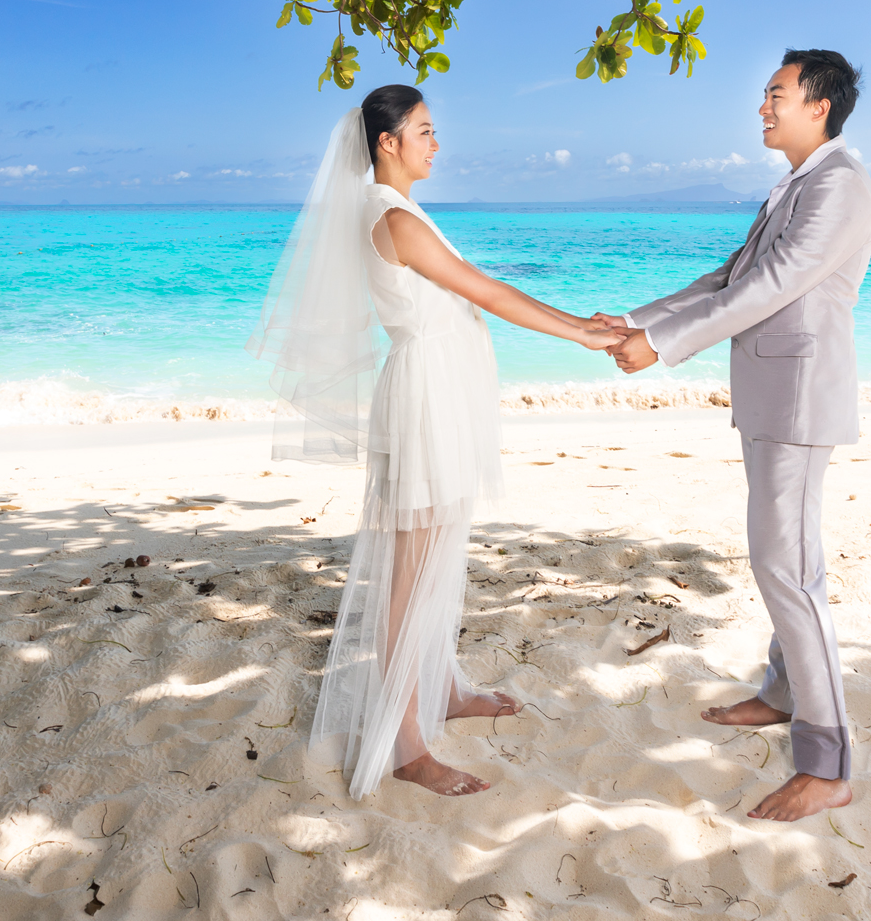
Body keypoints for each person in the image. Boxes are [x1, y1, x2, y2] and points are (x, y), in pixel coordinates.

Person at [255, 84, 624, 798]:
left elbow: (471, 295)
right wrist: (580, 332)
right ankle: (405, 744)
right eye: (423, 130)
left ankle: (444, 686)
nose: (435, 142)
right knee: (410, 574)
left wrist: (581, 324)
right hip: (424, 399)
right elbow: (487, 292)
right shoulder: (393, 217)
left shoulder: (401, 209)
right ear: (387, 142)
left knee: (441, 550)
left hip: (444, 393)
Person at [595, 49, 871, 824]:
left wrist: (661, 347)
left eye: (776, 94)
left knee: (786, 568)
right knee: (788, 560)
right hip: (771, 394)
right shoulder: (798, 184)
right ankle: (783, 693)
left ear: (819, 105)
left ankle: (827, 765)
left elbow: (772, 287)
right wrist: (637, 320)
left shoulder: (839, 184)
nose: (762, 106)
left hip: (799, 399)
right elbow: (729, 277)